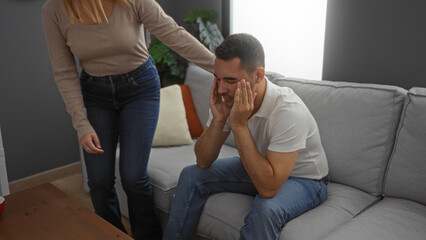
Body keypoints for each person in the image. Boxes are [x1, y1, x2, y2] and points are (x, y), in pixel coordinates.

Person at [42, 0, 215, 239]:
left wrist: (219, 68)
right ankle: (112, 233)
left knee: (133, 177)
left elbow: (174, 35)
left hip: (140, 88)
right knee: (99, 181)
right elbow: (64, 71)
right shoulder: (53, 10)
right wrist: (81, 124)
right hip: (95, 94)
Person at [163, 33, 329, 240]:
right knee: (191, 175)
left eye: (230, 80)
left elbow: (268, 188)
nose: (222, 89)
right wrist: (219, 119)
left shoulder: (288, 111)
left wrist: (239, 125)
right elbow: (203, 160)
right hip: (260, 165)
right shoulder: (227, 97)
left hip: (305, 179)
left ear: (258, 75)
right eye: (218, 78)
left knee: (266, 208)